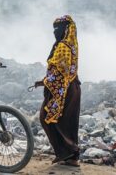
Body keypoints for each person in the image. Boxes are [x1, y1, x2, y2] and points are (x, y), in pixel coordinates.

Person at [34, 15, 81, 167]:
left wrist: (44, 82)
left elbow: (60, 73)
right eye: (54, 28)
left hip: (63, 90)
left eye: (58, 28)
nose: (55, 31)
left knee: (46, 117)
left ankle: (65, 152)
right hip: (72, 88)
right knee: (68, 122)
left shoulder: (62, 46)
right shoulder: (71, 45)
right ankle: (71, 156)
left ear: (67, 29)